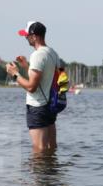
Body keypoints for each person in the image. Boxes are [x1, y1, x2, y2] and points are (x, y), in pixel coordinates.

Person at [5, 21, 61, 152]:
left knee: (39, 149)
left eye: (27, 36)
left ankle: (38, 172)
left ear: (34, 36)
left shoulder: (37, 55)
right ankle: (50, 171)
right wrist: (26, 66)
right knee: (51, 147)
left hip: (38, 107)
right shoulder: (53, 53)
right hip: (50, 106)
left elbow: (31, 87)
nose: (25, 38)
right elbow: (45, 78)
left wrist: (15, 74)